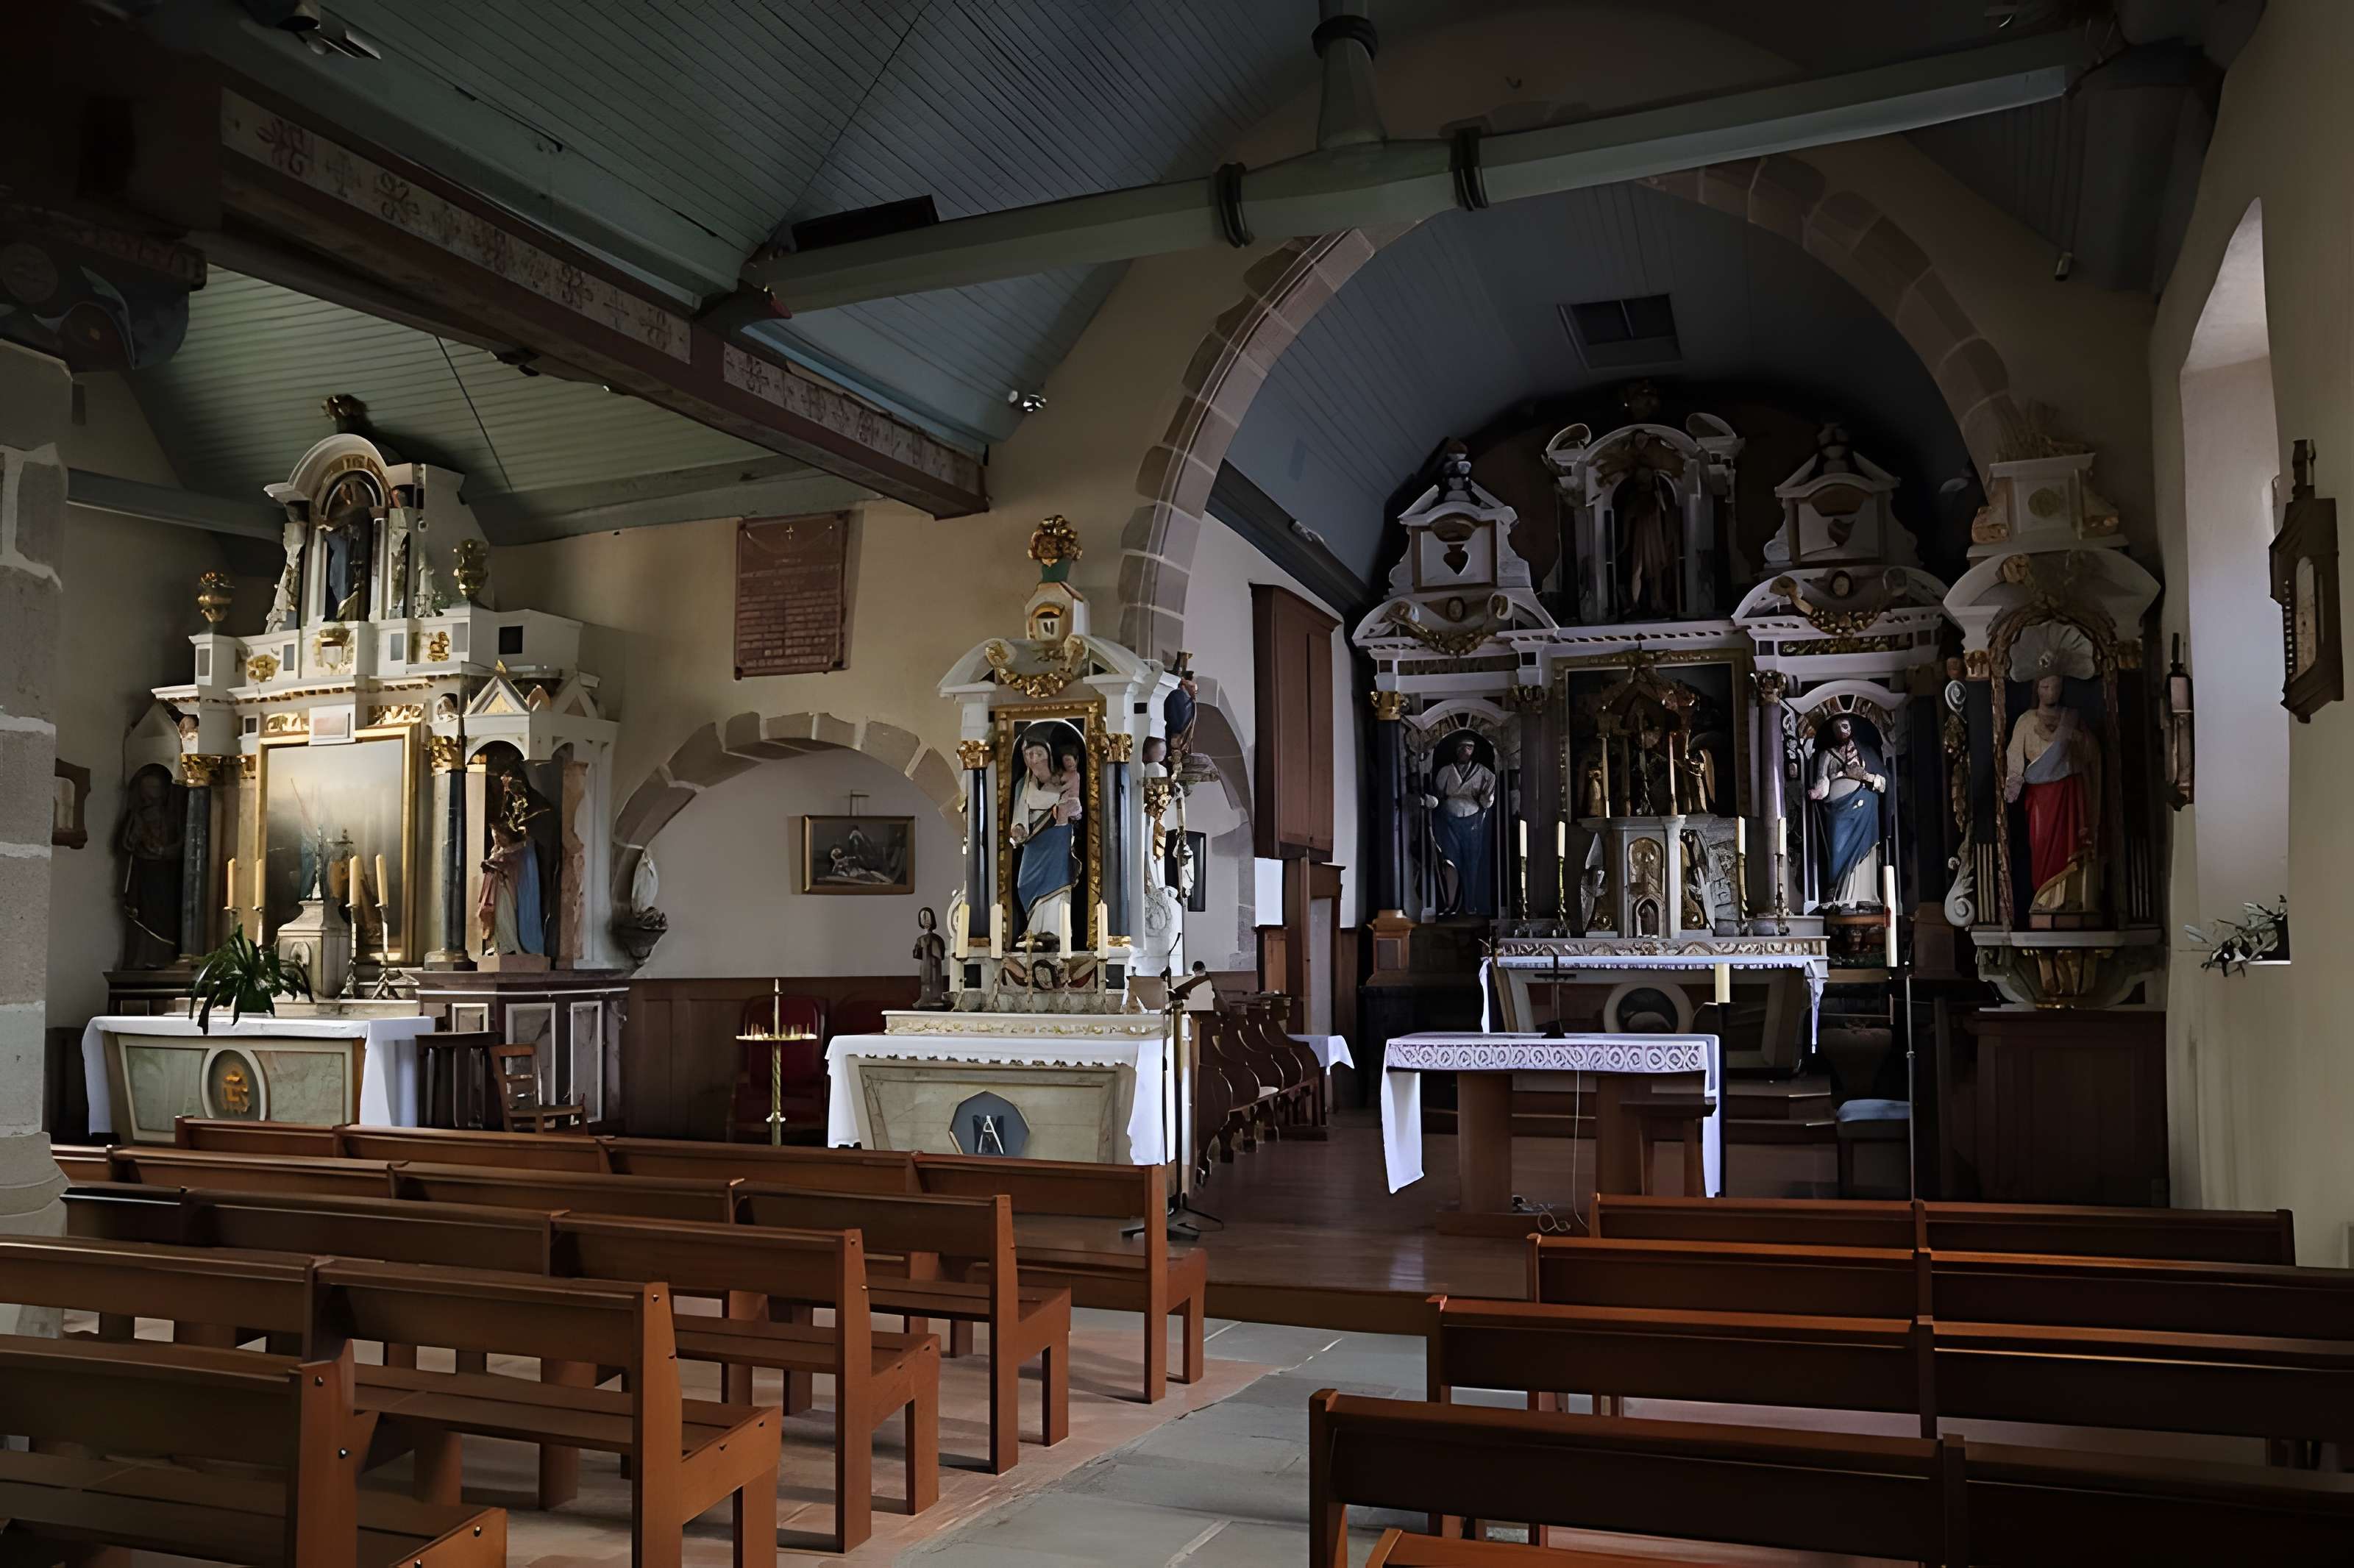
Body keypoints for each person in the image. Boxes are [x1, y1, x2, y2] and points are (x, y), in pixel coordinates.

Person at [2005, 665, 2102, 913]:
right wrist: (2013, 782)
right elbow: (2015, 755)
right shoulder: (2026, 721)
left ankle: (2072, 900)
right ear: (2037, 688)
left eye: (2057, 687)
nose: (2052, 692)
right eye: (2046, 686)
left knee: (2072, 845)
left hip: (2070, 792)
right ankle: (2045, 901)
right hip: (2041, 796)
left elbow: (2092, 753)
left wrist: (2077, 739)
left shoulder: (2071, 718)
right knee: (2043, 847)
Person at [1006, 728, 1082, 942]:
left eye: (1038, 753)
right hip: (1034, 839)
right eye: (1029, 754)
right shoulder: (1024, 783)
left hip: (1058, 835)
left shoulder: (1064, 778)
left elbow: (1077, 809)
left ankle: (1055, 931)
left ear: (1048, 753)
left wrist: (1070, 810)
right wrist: (1018, 829)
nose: (1034, 758)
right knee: (1024, 883)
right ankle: (1033, 929)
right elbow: (1019, 812)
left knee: (1057, 883)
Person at [1807, 714, 1887, 908]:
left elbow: (1884, 784)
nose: (1841, 731)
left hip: (1865, 808)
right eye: (1837, 728)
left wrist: (1865, 776)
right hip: (1837, 812)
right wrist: (1818, 792)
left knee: (1864, 852)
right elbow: (1823, 781)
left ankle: (1862, 895)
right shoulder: (1827, 755)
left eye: (1844, 726)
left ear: (1852, 728)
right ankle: (1837, 894)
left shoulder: (1867, 753)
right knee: (1837, 849)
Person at [1422, 733, 1497, 917]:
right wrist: (1431, 801)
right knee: (1450, 862)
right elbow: (1438, 795)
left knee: (1472, 863)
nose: (1465, 751)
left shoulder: (1484, 773)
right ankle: (1450, 904)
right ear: (1456, 751)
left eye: (1469, 747)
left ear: (1474, 751)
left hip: (1473, 822)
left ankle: (1471, 903)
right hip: (1448, 820)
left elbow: (1488, 799)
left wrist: (1487, 799)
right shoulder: (1446, 771)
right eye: (1462, 747)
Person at [115, 767, 181, 968]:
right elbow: (126, 844)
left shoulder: (171, 817)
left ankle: (164, 956)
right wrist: (138, 837)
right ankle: (142, 958)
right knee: (141, 913)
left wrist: (165, 851)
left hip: (167, 874)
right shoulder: (137, 816)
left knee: (165, 914)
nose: (152, 792)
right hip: (143, 871)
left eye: (156, 787)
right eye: (148, 787)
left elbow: (183, 842)